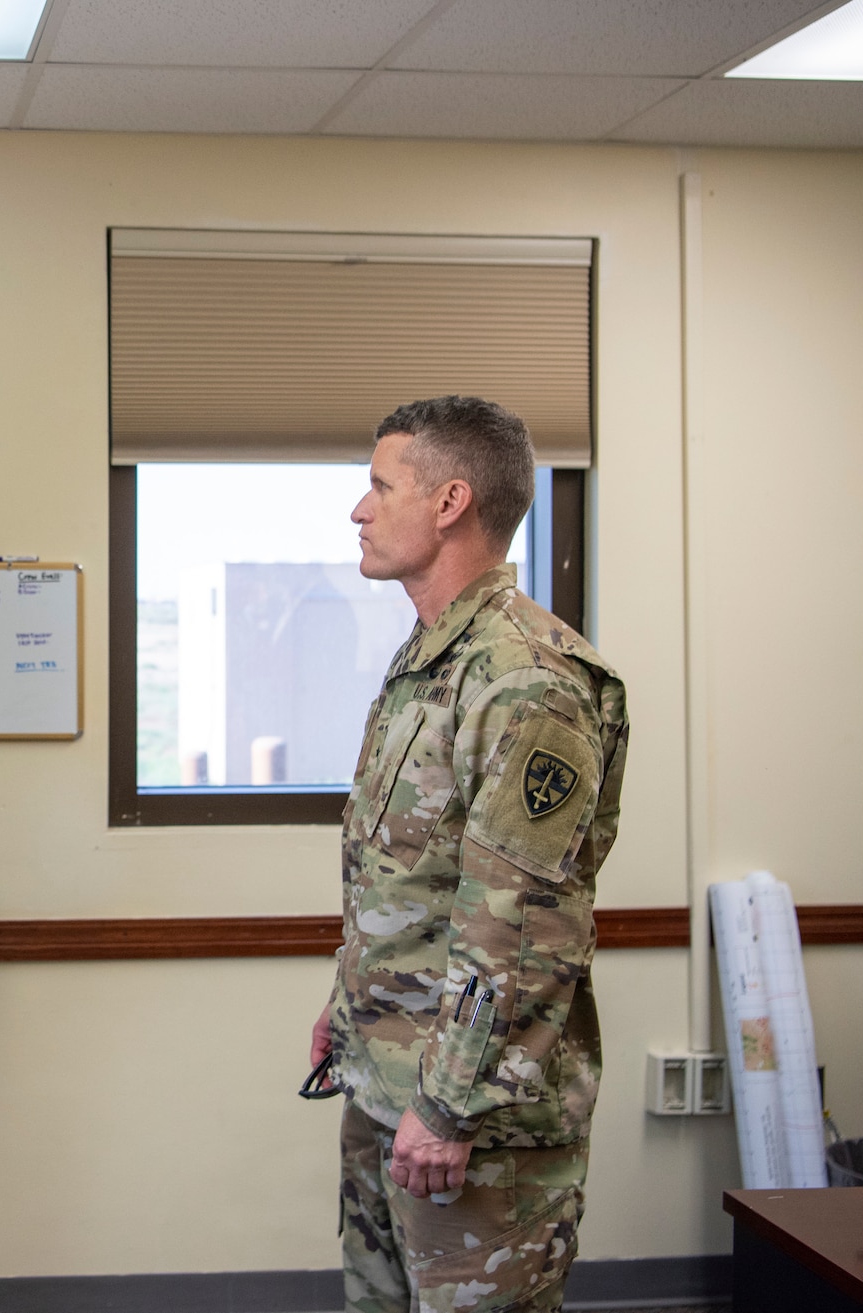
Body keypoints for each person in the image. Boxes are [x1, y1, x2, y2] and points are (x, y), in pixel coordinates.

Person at [307, 396, 629, 1313]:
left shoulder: (526, 678)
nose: (360, 509)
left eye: (379, 485)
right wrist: (350, 999)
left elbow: (522, 928)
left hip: (471, 1116)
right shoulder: (430, 660)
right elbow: (408, 873)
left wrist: (448, 1105)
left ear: (450, 502)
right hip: (389, 1079)